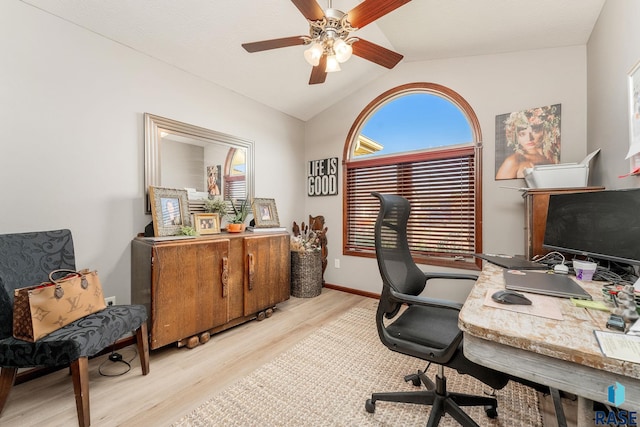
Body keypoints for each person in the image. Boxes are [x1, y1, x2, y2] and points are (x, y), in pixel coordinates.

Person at [496, 106, 560, 179]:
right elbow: (497, 188)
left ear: (546, 130)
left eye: (535, 131)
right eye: (522, 134)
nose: (529, 138)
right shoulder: (513, 161)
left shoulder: (554, 155)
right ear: (516, 136)